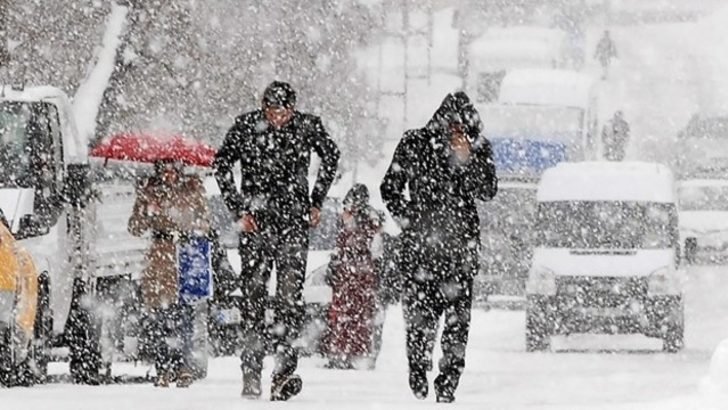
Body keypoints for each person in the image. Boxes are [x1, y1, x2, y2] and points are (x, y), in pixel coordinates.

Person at [214, 81, 340, 401]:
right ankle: (252, 371)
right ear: (263, 107)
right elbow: (222, 164)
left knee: (289, 300)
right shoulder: (246, 126)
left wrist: (316, 200)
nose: (276, 118)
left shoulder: (306, 126)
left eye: (282, 112)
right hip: (256, 225)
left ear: (293, 110)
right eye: (271, 111)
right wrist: (238, 208)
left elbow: (331, 155)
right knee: (254, 301)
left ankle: (283, 373)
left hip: (293, 223)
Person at [380, 91, 497, 403]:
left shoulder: (479, 148)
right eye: (454, 127)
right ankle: (418, 368)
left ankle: (448, 383)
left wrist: (467, 158)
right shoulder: (415, 143)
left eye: (464, 129)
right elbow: (389, 188)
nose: (458, 134)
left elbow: (487, 190)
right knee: (418, 321)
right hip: (421, 252)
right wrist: (409, 222)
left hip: (460, 252)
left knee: (458, 325)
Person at [128, 161, 210, 388]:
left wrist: (194, 223)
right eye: (164, 169)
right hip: (159, 258)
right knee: (160, 317)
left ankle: (184, 366)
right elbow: (134, 227)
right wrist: (147, 211)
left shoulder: (193, 189)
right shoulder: (149, 191)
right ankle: (163, 367)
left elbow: (205, 223)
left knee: (185, 315)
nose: (169, 174)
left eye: (173, 169)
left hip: (186, 255)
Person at [324, 184, 382, 370]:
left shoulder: (365, 223)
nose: (345, 209)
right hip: (350, 275)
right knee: (347, 314)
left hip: (357, 276)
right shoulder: (354, 222)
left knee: (352, 315)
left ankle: (350, 353)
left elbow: (373, 250)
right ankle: (346, 352)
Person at [369, 231, 402, 368]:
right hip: (384, 286)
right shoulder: (392, 240)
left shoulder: (383, 239)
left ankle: (373, 355)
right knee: (377, 323)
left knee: (377, 323)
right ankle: (373, 355)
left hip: (381, 286)